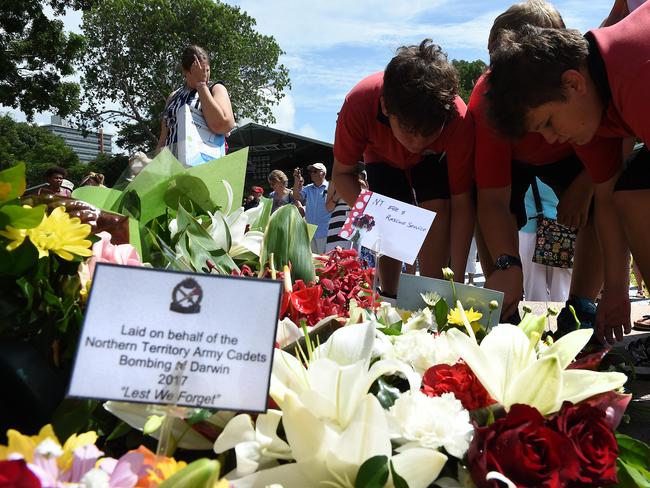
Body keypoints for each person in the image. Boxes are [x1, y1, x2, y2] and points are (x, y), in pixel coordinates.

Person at [483, 1, 650, 344]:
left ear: (573, 84)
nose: (551, 139)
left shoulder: (636, 72)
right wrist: (615, 293)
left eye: (547, 123)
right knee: (631, 193)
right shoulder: (591, 112)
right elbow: (606, 201)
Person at [471, 0, 606, 332]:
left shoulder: (581, 81)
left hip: (574, 156)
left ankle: (581, 309)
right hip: (515, 162)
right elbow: (492, 199)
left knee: (604, 201)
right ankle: (502, 304)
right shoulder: (487, 100)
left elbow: (615, 147)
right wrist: (507, 263)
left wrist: (585, 184)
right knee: (480, 207)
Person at [331, 39, 475, 298]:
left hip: (434, 160)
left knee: (438, 207)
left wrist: (458, 281)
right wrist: (377, 220)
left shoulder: (458, 118)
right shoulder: (358, 102)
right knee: (386, 206)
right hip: (381, 156)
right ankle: (389, 293)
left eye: (429, 133)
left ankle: (435, 294)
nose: (416, 144)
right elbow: (341, 175)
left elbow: (462, 203)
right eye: (409, 131)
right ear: (386, 107)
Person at [156, 45, 235, 154]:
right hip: (174, 165)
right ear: (185, 71)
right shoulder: (173, 97)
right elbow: (163, 139)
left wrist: (201, 85)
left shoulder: (216, 89)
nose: (204, 76)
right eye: (198, 71)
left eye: (206, 70)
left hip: (206, 163)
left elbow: (223, 125)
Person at [519, 178, 572, 301]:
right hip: (564, 230)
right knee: (562, 292)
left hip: (530, 228)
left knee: (534, 290)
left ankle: (537, 318)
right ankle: (561, 319)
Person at [325, 164, 369, 253]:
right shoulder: (335, 181)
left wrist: (363, 190)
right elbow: (328, 208)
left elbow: (368, 206)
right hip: (337, 223)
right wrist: (337, 196)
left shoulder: (363, 183)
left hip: (357, 223)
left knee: (354, 254)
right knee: (335, 253)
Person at [293, 163, 331, 254]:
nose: (312, 173)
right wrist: (296, 179)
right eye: (311, 171)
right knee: (314, 262)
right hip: (310, 231)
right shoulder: (308, 188)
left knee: (325, 261)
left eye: (315, 171)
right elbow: (296, 196)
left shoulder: (331, 187)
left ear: (323, 173)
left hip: (325, 231)